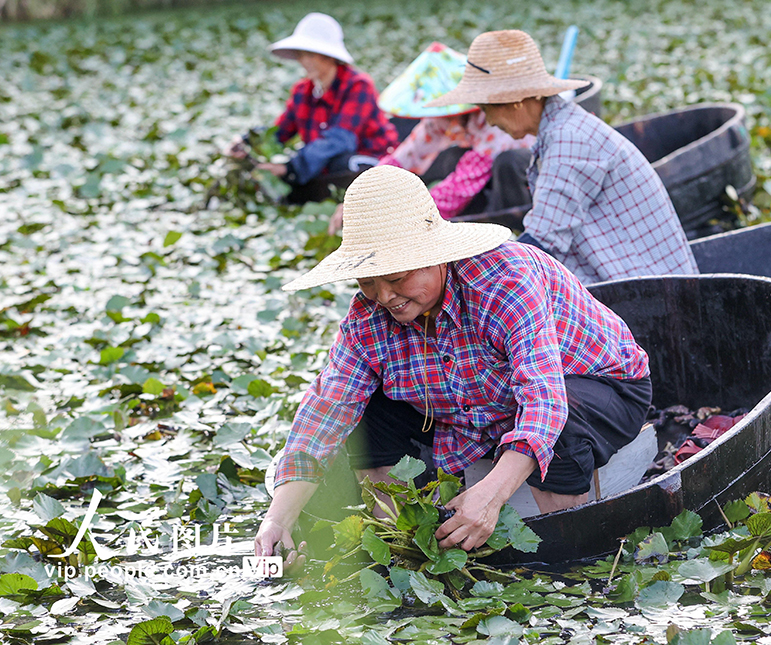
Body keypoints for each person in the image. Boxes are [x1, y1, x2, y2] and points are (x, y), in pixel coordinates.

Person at [254, 165, 652, 563]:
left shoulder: (502, 281)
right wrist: (277, 517)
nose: (385, 296)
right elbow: (326, 412)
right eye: (368, 282)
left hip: (596, 385)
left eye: (396, 277)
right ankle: (398, 541)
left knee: (562, 425)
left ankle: (567, 554)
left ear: (435, 257)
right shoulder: (367, 319)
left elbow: (543, 402)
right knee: (366, 413)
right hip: (479, 406)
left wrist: (491, 497)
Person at [427, 30, 698, 284]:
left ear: (515, 102)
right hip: (630, 277)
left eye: (487, 109)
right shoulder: (560, 131)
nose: (490, 121)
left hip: (651, 290)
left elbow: (544, 240)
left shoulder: (569, 138)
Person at [328, 42, 533, 234]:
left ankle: (506, 229)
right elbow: (403, 158)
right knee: (454, 156)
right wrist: (359, 200)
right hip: (485, 171)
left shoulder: (493, 119)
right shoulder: (439, 119)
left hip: (529, 176)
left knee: (507, 162)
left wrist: (412, 220)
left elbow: (461, 186)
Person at [223, 13, 398, 204]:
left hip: (368, 159)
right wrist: (247, 142)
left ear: (329, 57)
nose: (304, 61)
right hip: (323, 164)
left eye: (311, 55)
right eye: (301, 54)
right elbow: (280, 132)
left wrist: (290, 168)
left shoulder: (358, 86)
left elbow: (340, 139)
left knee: (341, 163)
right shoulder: (302, 91)